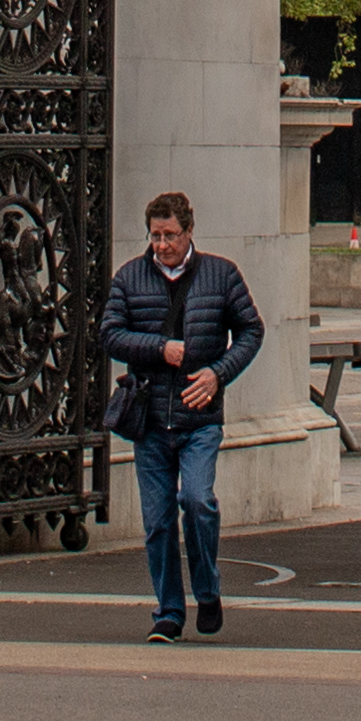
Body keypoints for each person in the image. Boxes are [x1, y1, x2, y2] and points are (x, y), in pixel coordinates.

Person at [98, 190, 261, 642]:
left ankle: (207, 589)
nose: (162, 245)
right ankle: (169, 611)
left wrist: (218, 373)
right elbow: (110, 334)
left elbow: (251, 331)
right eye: (155, 236)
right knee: (157, 522)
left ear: (189, 231)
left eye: (170, 235)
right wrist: (157, 348)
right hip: (149, 417)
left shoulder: (221, 275)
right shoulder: (131, 277)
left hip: (199, 417)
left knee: (197, 501)